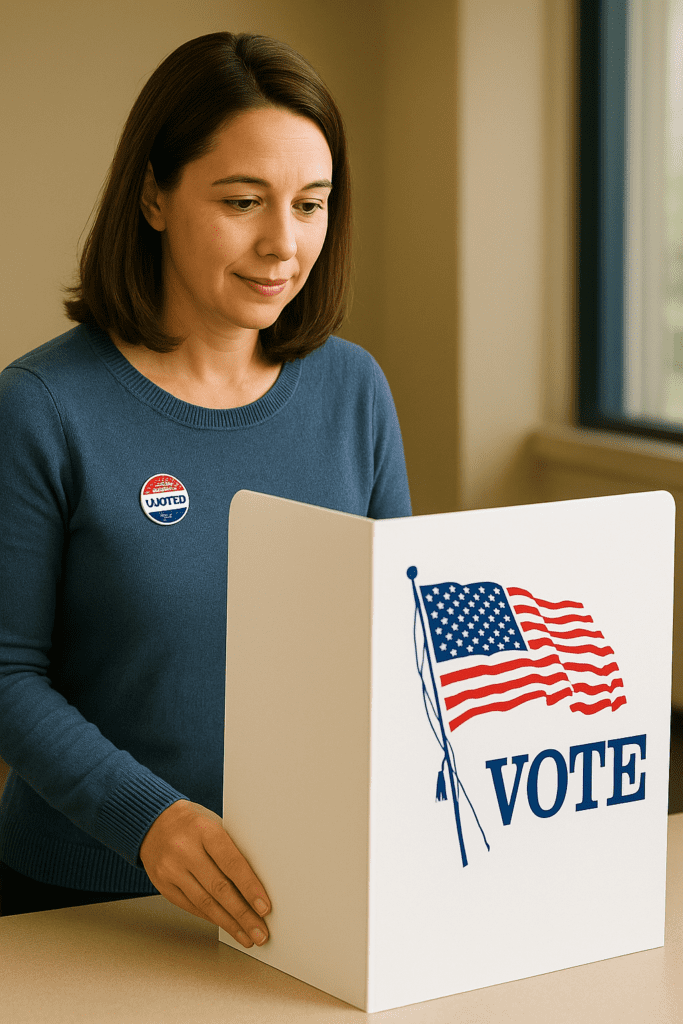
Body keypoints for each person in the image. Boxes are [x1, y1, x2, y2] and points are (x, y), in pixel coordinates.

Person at [0, 32, 411, 942]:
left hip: (308, 896)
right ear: (153, 194)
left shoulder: (355, 391)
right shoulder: (41, 407)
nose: (284, 243)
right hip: (85, 902)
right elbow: (5, 674)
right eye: (242, 201)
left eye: (311, 205)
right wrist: (148, 819)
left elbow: (394, 638)